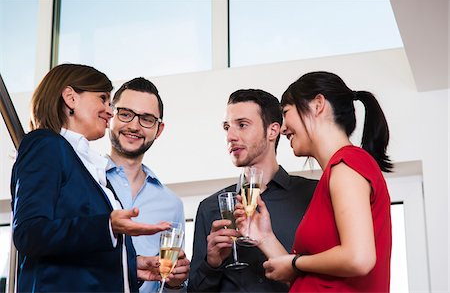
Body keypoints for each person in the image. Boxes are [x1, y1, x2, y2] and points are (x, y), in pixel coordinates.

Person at [11, 64, 170, 293]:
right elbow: (30, 232)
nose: (110, 111)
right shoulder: (45, 145)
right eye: (103, 99)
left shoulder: (87, 165)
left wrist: (130, 265)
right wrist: (107, 225)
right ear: (70, 98)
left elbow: (80, 254)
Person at [236, 71, 392, 292]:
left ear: (318, 105)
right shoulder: (336, 172)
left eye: (286, 113)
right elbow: (309, 278)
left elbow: (359, 258)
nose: (282, 129)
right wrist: (264, 237)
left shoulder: (347, 164)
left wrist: (295, 262)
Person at [187, 89, 317, 292]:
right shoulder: (209, 208)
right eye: (227, 127)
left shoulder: (313, 195)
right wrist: (212, 264)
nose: (230, 136)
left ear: (272, 131)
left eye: (242, 125)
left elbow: (327, 280)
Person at [107, 77, 190, 292]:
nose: (134, 126)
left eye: (146, 119)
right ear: (110, 116)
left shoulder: (171, 204)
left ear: (159, 129)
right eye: (125, 114)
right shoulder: (85, 181)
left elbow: (169, 285)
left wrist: (176, 282)